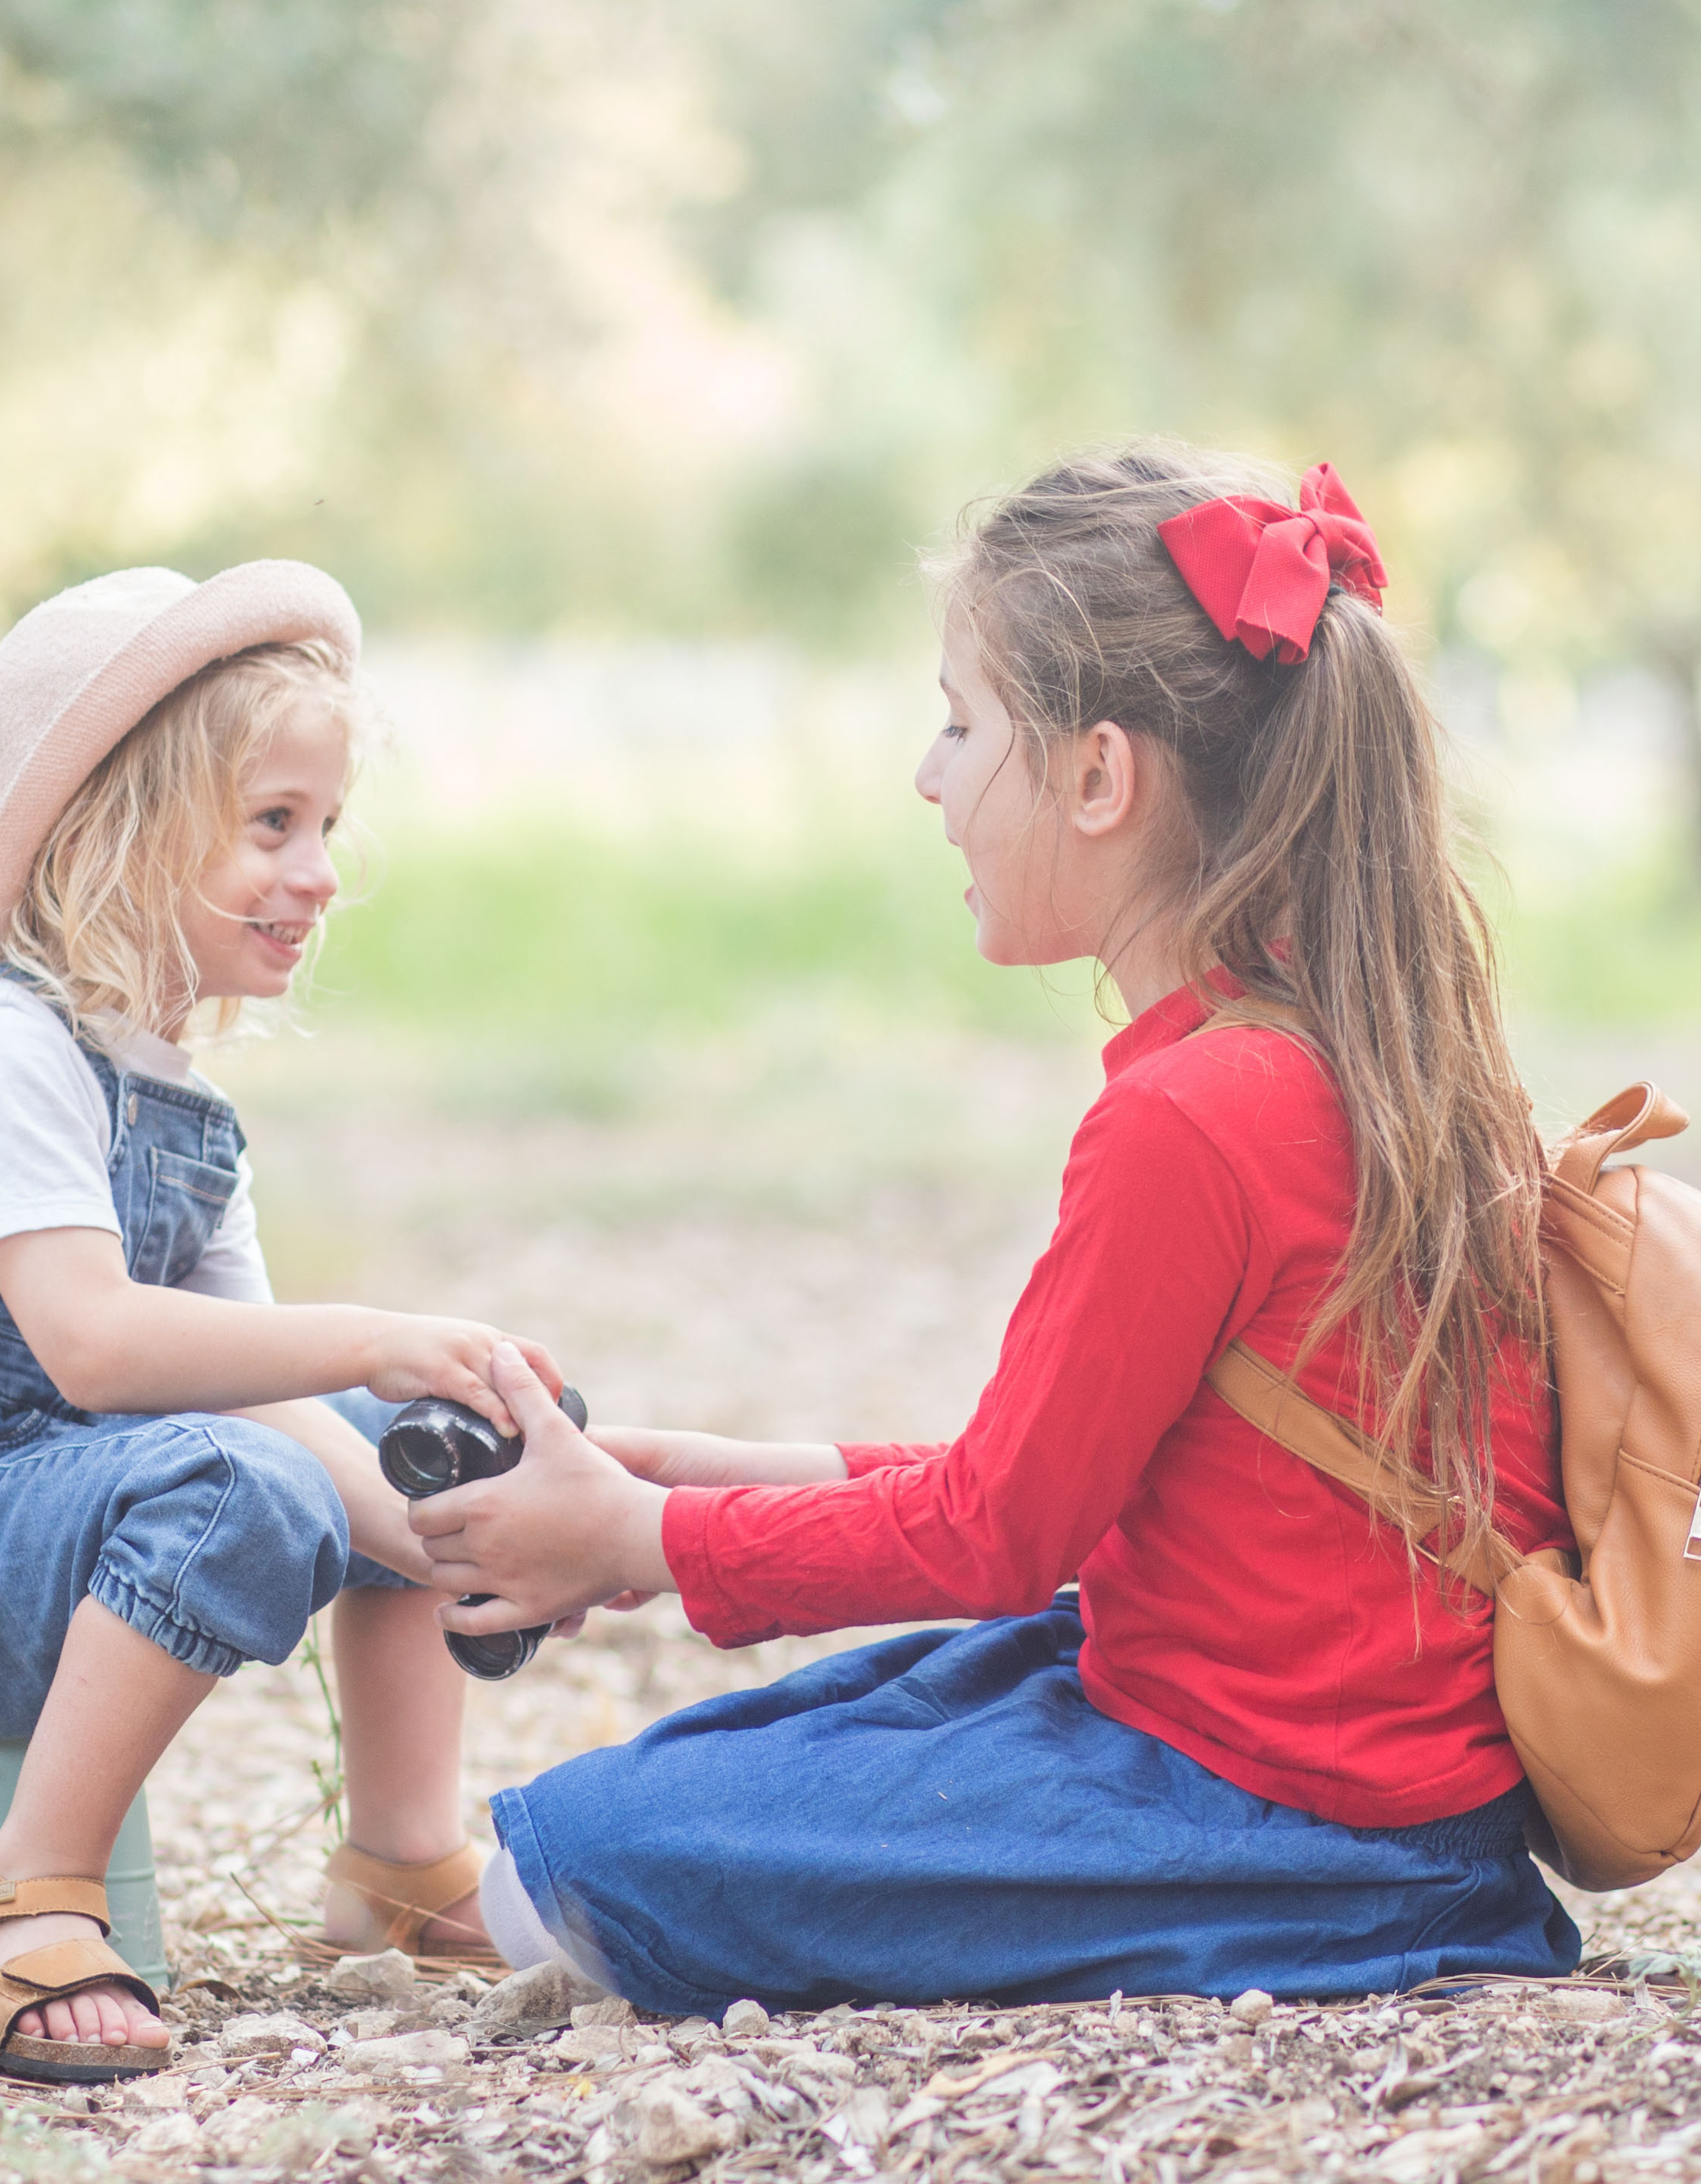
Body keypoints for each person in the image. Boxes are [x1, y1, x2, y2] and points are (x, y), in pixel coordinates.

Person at [406, 445, 1583, 2015]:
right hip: (1354, 1775)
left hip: (1289, 1821)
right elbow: (1075, 1486)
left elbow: (1002, 1535)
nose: (930, 776)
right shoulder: (1354, 1051)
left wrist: (640, 1546)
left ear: (1102, 777)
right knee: (646, 1809)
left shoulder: (1192, 1119)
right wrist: (691, 1486)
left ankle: (1313, 1935)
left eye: (962, 725)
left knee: (594, 1858)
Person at [0, 561, 556, 2085]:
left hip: (64, 1521)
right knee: (236, 1485)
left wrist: (461, 1533)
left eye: (325, 824)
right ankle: (9, 1889)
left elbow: (277, 1404)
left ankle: (398, 1855)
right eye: (272, 824)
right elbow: (97, 1351)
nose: (320, 868)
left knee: (427, 1450)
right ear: (115, 836)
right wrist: (373, 1331)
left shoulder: (178, 1102)